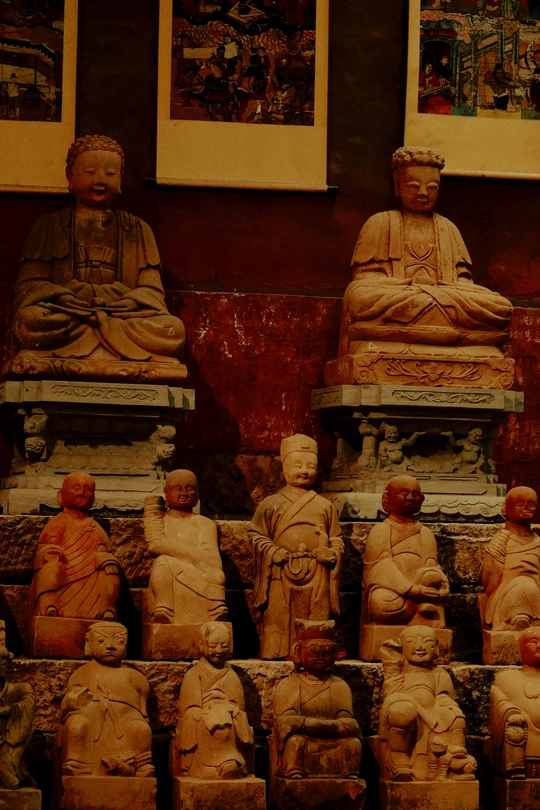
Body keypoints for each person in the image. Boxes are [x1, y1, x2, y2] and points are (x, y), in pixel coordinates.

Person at [10, 134, 186, 383]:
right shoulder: (48, 227)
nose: (100, 180)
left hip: (121, 316)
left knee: (172, 330)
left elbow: (152, 292)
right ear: (70, 177)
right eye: (90, 172)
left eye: (110, 173)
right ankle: (108, 348)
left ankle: (99, 346)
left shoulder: (138, 229)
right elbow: (29, 288)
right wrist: (66, 297)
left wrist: (126, 302)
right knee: (29, 322)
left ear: (120, 179)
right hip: (69, 314)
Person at [337, 147, 513, 360]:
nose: (423, 193)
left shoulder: (449, 229)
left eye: (432, 187)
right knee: (359, 299)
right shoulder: (380, 223)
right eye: (413, 186)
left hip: (441, 299)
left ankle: (426, 320)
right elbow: (364, 281)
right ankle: (453, 336)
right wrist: (411, 288)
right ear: (397, 185)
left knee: (500, 307)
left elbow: (463, 283)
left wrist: (436, 293)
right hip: (403, 297)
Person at [250, 434, 344, 660]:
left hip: (317, 571)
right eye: (298, 466)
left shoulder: (324, 506)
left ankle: (316, 655)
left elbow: (337, 538)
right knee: (279, 615)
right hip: (281, 571)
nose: (305, 471)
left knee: (316, 616)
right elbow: (256, 534)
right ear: (285, 468)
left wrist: (331, 553)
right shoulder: (271, 504)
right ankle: (278, 651)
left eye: (311, 467)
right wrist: (273, 551)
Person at [378, 626, 477, 782]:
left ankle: (455, 756)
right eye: (412, 642)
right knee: (402, 711)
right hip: (410, 713)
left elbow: (444, 695)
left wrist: (445, 703)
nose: (420, 647)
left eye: (427, 642)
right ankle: (398, 755)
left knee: (456, 715)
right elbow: (393, 695)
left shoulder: (439, 673)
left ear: (436, 647)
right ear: (401, 647)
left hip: (434, 713)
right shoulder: (398, 673)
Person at [57, 622, 154, 777]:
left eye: (120, 641)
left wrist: (137, 717)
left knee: (141, 729)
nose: (110, 646)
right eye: (101, 641)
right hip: (91, 719)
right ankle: (78, 763)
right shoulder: (82, 673)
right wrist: (72, 701)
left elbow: (142, 711)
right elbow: (70, 703)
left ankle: (142, 765)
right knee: (77, 724)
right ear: (88, 644)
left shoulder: (136, 677)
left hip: (125, 720)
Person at [271, 619, 362, 779]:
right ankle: (294, 772)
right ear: (298, 651)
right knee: (295, 742)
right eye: (314, 652)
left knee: (353, 744)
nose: (321, 657)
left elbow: (348, 724)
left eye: (326, 653)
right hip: (304, 740)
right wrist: (324, 726)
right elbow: (286, 723)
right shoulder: (289, 685)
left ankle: (349, 774)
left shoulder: (339, 685)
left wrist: (309, 724)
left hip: (333, 741)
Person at [28, 472, 120, 622]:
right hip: (63, 569)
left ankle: (105, 609)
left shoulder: (94, 527)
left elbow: (103, 549)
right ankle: (49, 605)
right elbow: (45, 546)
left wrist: (106, 560)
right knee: (50, 570)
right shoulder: (58, 522)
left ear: (93, 498)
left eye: (87, 489)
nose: (81, 492)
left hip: (90, 572)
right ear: (61, 495)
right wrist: (51, 553)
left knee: (109, 574)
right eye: (76, 488)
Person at [362, 476, 449, 627]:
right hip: (393, 591)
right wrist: (411, 590)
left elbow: (432, 567)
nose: (410, 498)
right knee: (383, 602)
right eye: (403, 493)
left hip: (422, 588)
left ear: (421, 500)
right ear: (387, 498)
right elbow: (381, 568)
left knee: (431, 576)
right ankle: (419, 609)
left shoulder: (425, 533)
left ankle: (419, 609)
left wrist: (443, 588)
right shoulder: (381, 530)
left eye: (415, 494)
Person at [143, 469, 227, 625]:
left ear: (197, 494)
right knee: (162, 564)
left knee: (217, 575)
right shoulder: (161, 521)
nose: (184, 493)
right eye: (178, 488)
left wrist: (168, 547)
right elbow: (155, 547)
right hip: (170, 570)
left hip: (199, 572)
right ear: (166, 493)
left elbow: (213, 561)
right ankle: (165, 608)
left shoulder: (205, 524)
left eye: (190, 488)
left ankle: (215, 610)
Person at [175, 622, 254, 779]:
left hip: (226, 716)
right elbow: (188, 709)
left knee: (228, 719)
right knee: (206, 720)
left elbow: (239, 708)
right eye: (213, 646)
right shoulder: (193, 674)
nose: (219, 650)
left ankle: (230, 762)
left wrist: (227, 704)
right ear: (202, 646)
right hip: (203, 718)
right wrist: (206, 710)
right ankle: (205, 767)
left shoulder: (231, 676)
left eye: (224, 646)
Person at [481, 486, 540, 632]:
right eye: (520, 504)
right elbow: (489, 576)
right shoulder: (502, 541)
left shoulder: (537, 541)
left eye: (531, 504)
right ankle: (517, 618)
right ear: (505, 508)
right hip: (508, 592)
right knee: (523, 585)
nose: (526, 507)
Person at [490, 627, 540, 777]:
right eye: (533, 641)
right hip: (524, 728)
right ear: (520, 650)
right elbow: (500, 701)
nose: (539, 646)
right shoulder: (507, 678)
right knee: (515, 730)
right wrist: (511, 713)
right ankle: (516, 767)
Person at [0, 641, 36, 790]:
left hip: (8, 740)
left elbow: (29, 704)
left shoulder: (18, 690)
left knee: (13, 782)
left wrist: (11, 710)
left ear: (3, 665)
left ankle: (6, 766)